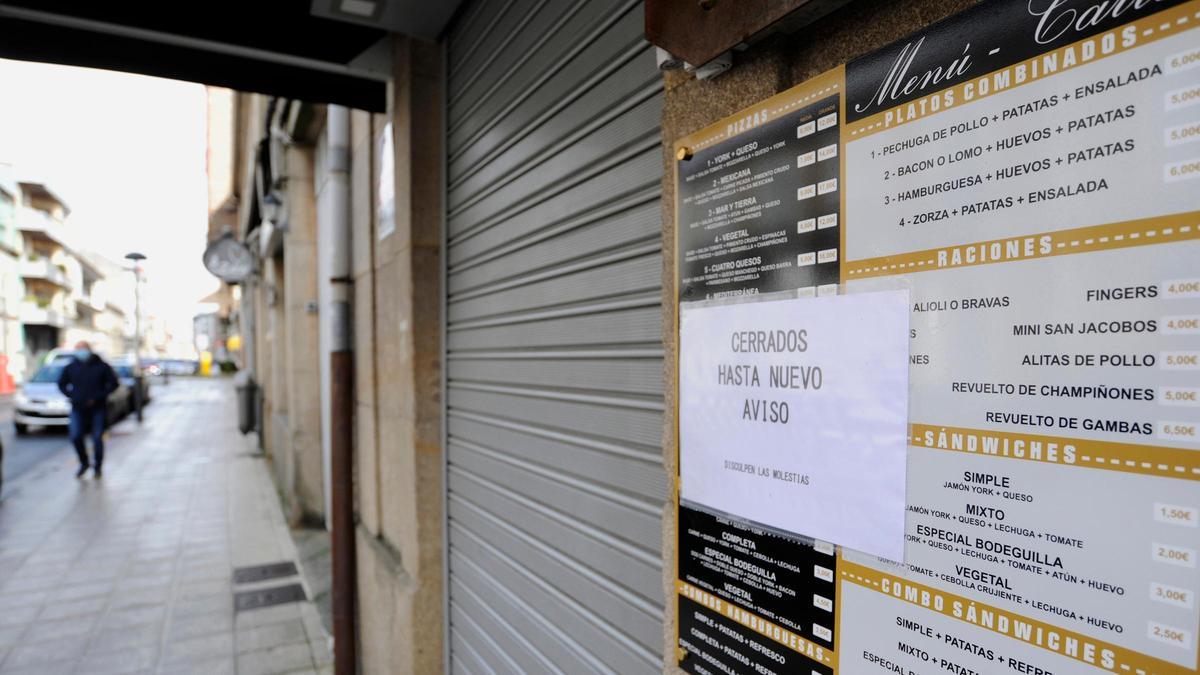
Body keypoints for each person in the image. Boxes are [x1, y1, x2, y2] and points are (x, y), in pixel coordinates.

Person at [57, 341, 119, 479]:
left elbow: (114, 384)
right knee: (76, 436)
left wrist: (99, 396)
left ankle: (98, 467)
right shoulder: (71, 367)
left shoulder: (102, 366)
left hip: (98, 407)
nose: (81, 352)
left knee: (97, 438)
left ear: (89, 350)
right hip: (78, 407)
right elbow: (61, 384)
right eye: (78, 349)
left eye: (83, 349)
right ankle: (84, 463)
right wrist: (72, 396)